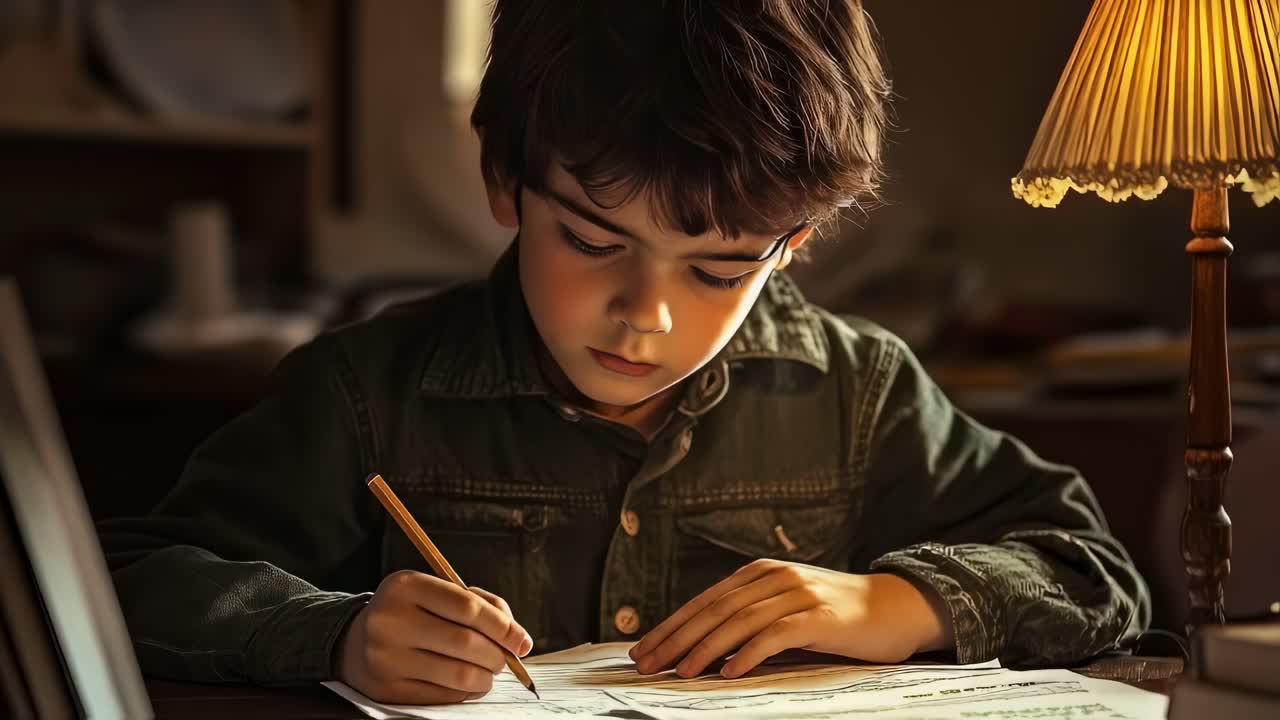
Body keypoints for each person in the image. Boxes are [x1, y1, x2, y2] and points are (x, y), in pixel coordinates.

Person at [98, 0, 1150, 706]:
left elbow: (1089, 567)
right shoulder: (366, 392)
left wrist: (891, 605)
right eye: (596, 244)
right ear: (505, 180)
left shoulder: (855, 390)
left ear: (793, 248)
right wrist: (333, 634)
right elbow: (128, 576)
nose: (647, 317)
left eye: (719, 268)